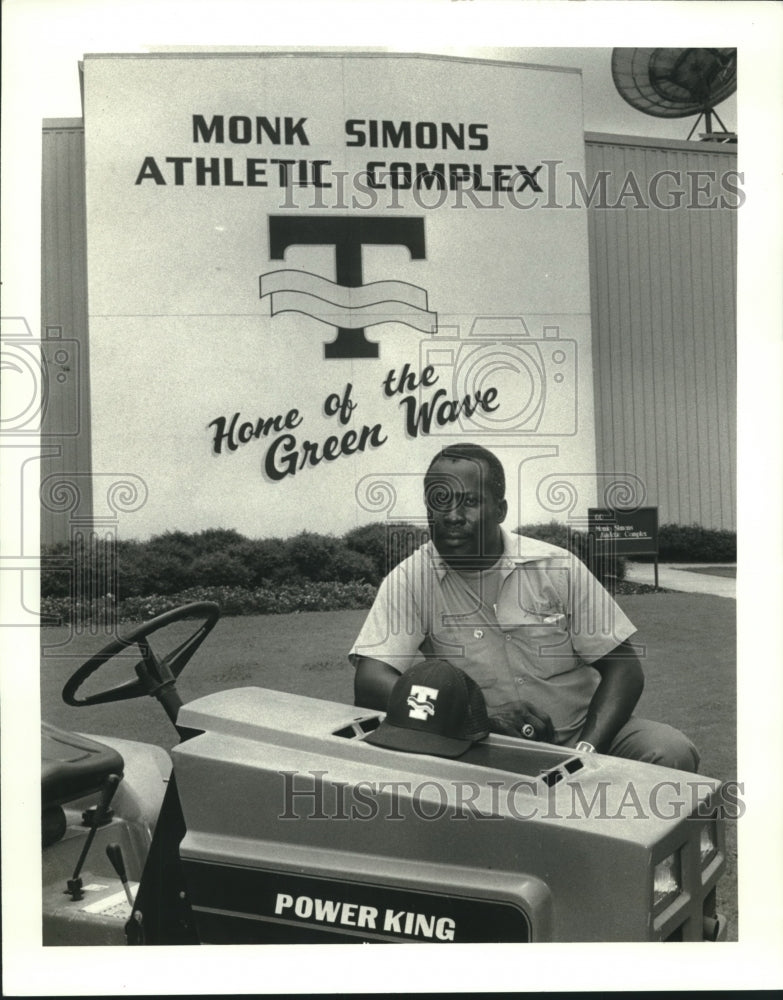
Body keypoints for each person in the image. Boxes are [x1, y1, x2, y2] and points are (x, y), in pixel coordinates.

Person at [350, 442, 699, 772]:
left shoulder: (556, 567)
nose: (452, 516)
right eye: (439, 502)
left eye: (469, 501)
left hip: (584, 733)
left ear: (500, 510)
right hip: (482, 743)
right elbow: (370, 680)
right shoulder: (410, 579)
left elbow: (624, 667)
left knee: (669, 751)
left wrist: (584, 754)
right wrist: (478, 717)